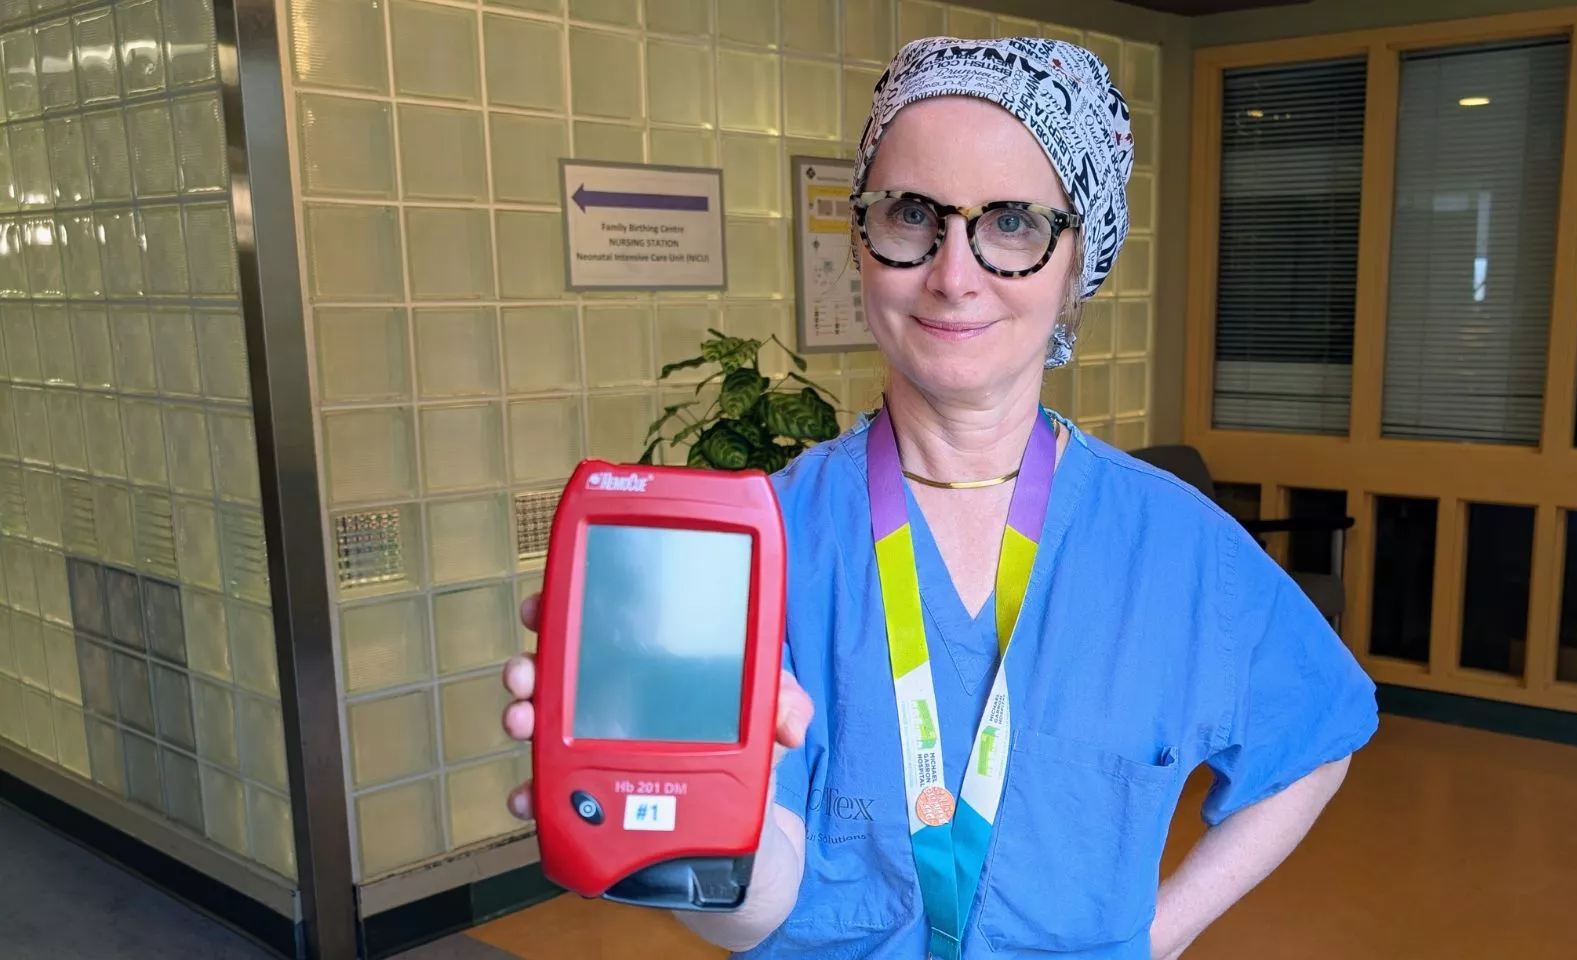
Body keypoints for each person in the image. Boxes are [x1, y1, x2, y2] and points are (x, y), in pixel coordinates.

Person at [499, 36, 1378, 959]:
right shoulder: (773, 538)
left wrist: (1157, 934)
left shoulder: (1175, 547)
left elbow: (1314, 735)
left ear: (1076, 266)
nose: (954, 274)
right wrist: (699, 827)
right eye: (915, 214)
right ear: (864, 241)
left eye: (1012, 224)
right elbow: (760, 905)